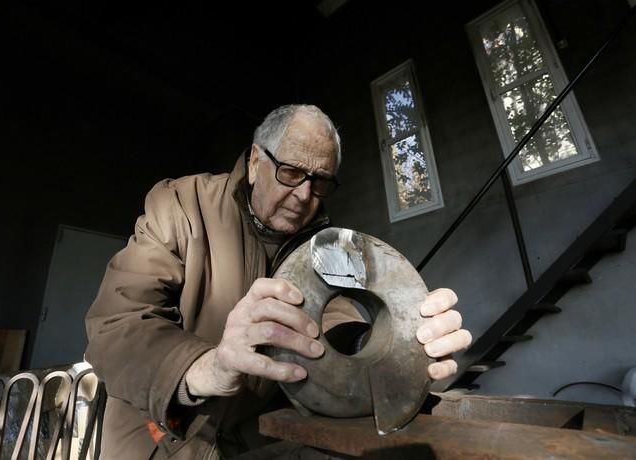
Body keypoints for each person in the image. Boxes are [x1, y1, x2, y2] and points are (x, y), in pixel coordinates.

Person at [85, 104, 472, 459]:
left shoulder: (325, 244)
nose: (304, 195)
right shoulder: (181, 205)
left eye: (320, 181)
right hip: (161, 440)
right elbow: (117, 324)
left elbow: (333, 316)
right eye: (291, 172)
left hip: (257, 445)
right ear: (255, 162)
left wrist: (382, 344)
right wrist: (211, 366)